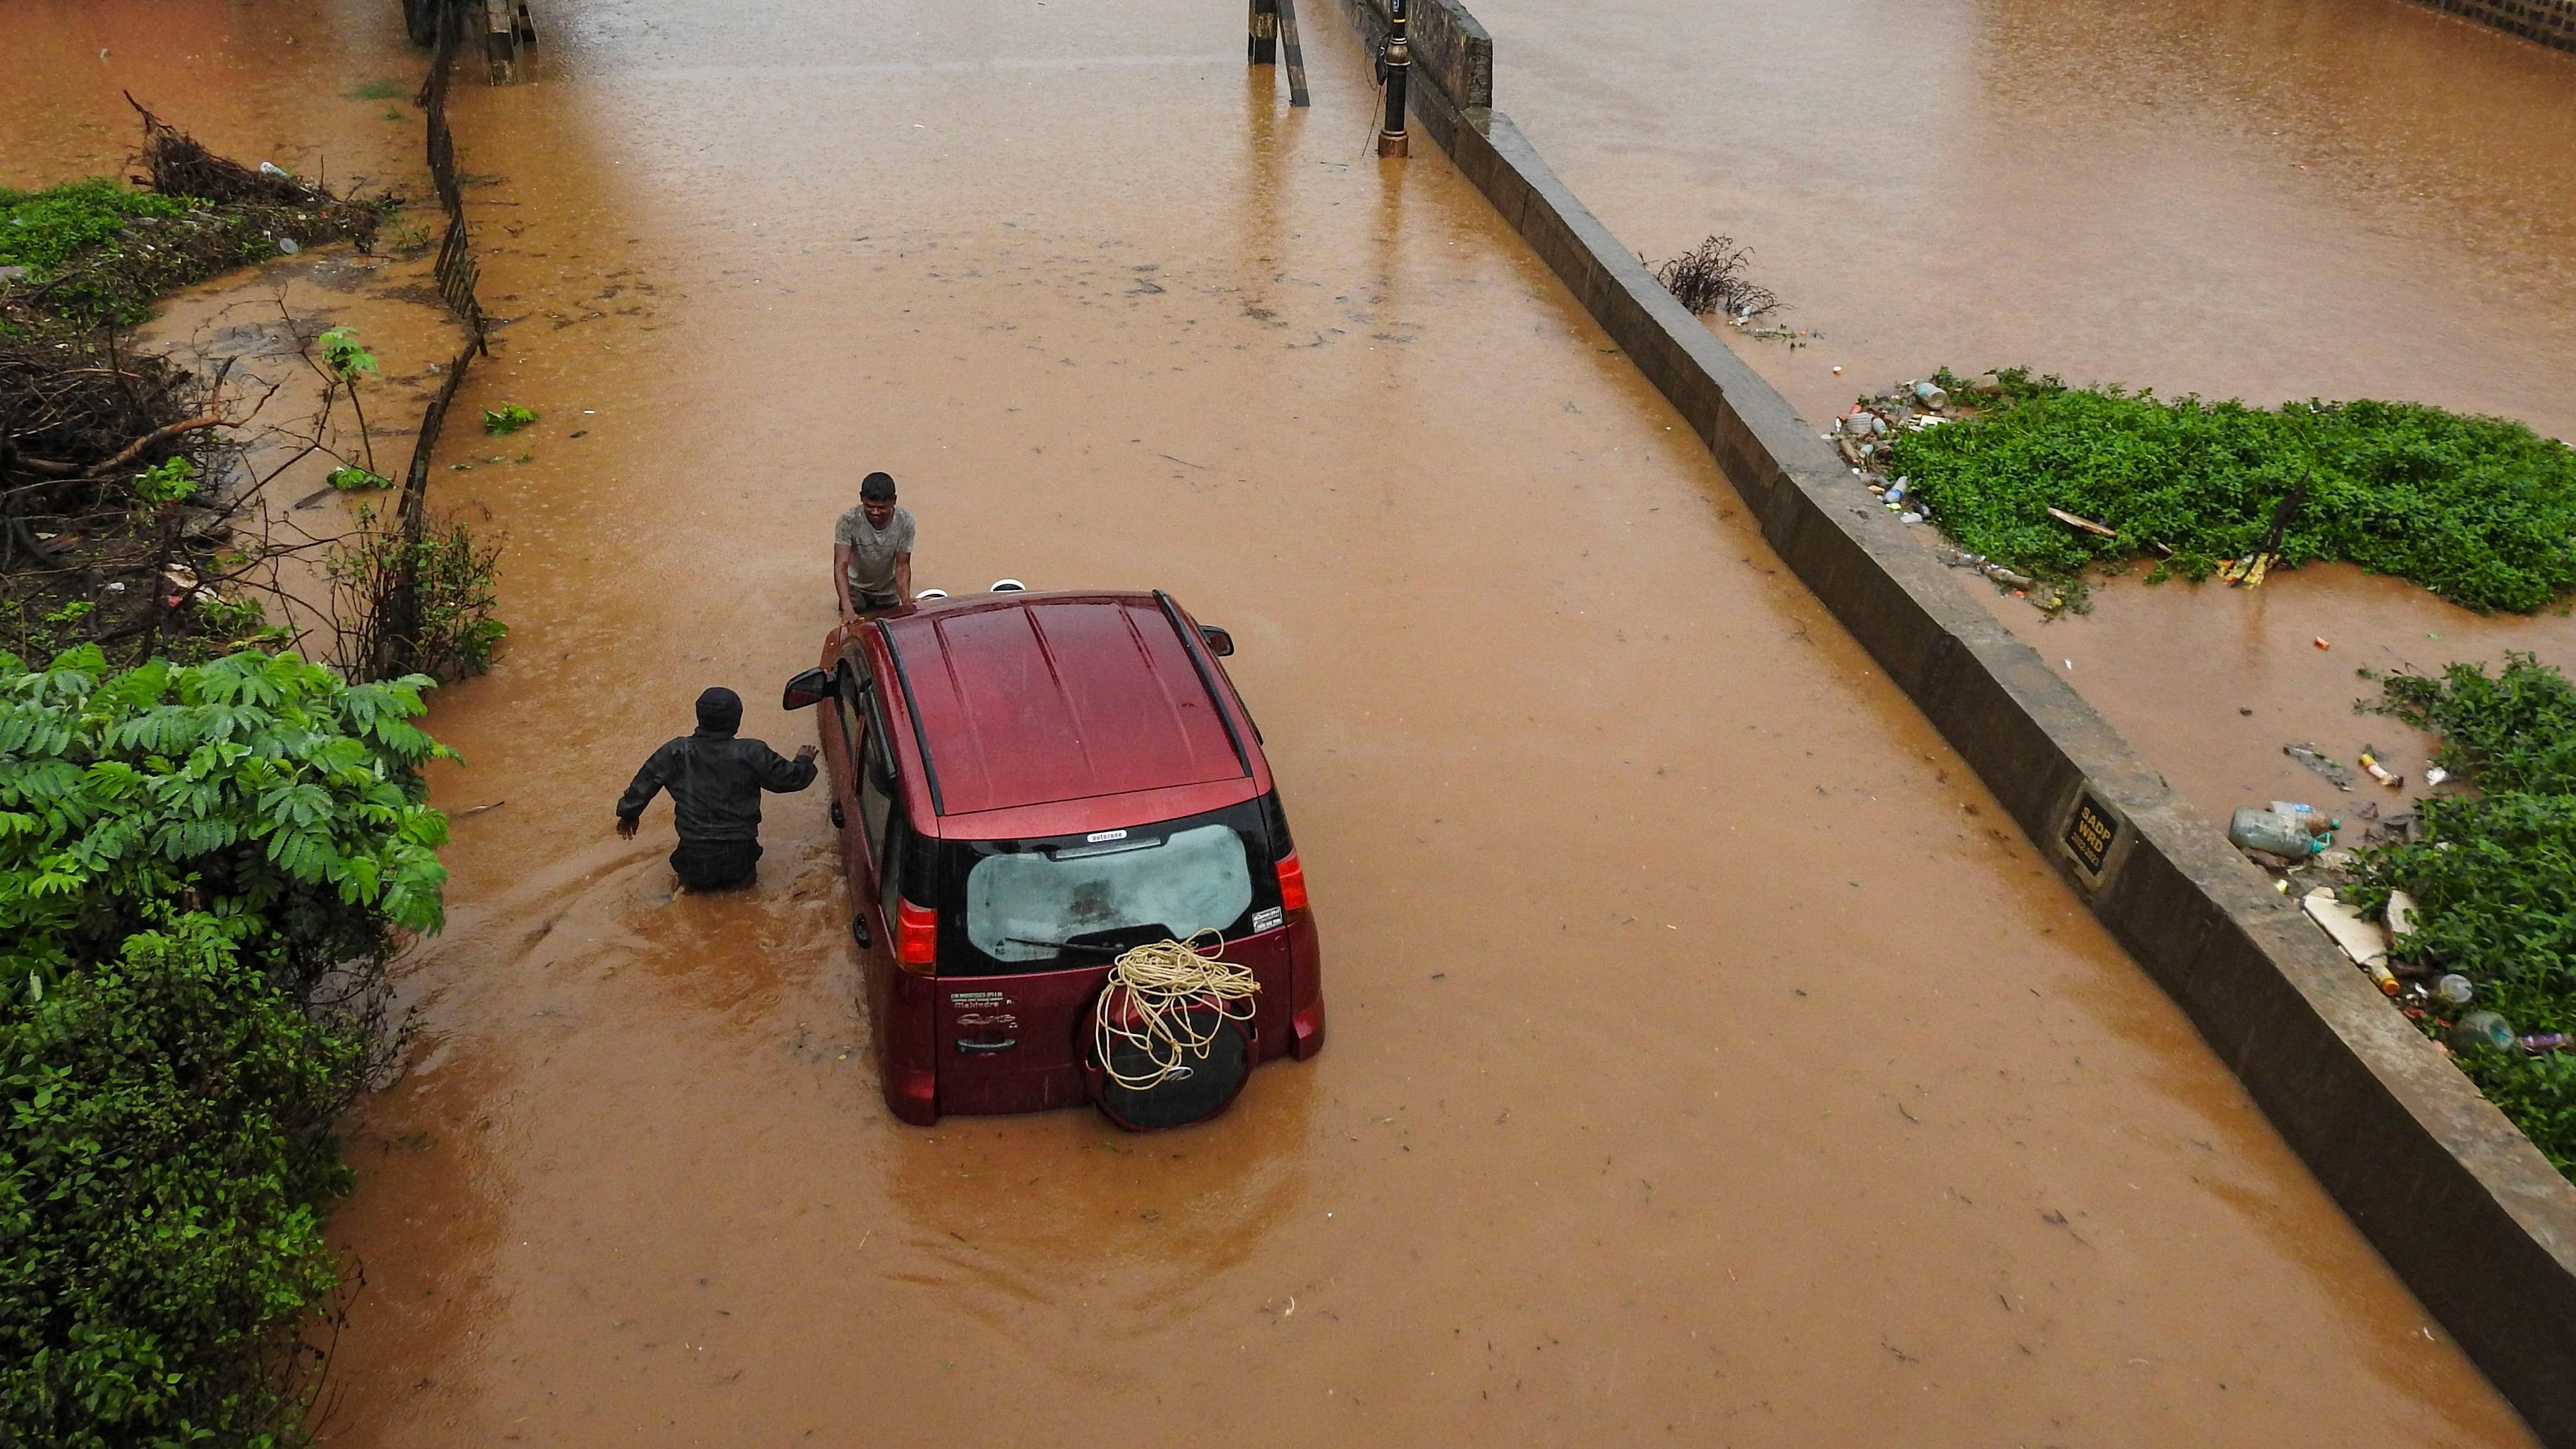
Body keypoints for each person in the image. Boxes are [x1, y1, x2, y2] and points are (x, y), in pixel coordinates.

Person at [615, 687, 819, 891]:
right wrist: (804, 760)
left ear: (699, 717)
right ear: (737, 721)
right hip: (739, 856)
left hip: (694, 856)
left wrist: (628, 814)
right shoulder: (752, 752)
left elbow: (644, 782)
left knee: (690, 898)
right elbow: (790, 779)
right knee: (743, 898)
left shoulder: (675, 751)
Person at [834, 471, 915, 619]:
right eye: (869, 506)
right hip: (856, 588)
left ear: (894, 501)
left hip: (887, 591)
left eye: (882, 508)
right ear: (861, 498)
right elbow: (841, 566)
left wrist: (906, 602)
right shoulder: (848, 521)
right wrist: (847, 609)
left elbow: (902, 565)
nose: (875, 512)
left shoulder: (906, 522)